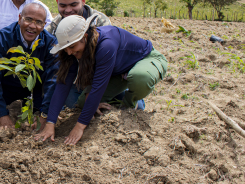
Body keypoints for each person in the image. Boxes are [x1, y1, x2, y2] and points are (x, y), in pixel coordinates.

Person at [35, 15, 168, 145]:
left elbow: (97, 88)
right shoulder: (74, 50)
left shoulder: (106, 44)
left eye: (72, 47)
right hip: (117, 72)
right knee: (82, 102)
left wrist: (79, 127)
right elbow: (63, 84)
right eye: (66, 49)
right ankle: (117, 99)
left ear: (85, 37)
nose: (69, 52)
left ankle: (131, 103)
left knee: (140, 78)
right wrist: (50, 122)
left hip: (143, 61)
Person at [0, 2, 58, 130]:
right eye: (28, 19)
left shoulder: (50, 44)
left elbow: (52, 80)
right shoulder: (3, 38)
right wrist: (2, 114)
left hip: (35, 91)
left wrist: (45, 113)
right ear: (19, 19)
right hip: (6, 86)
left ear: (44, 25)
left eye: (39, 22)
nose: (32, 26)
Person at [45, 0, 112, 108]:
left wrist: (92, 95)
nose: (68, 10)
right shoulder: (54, 27)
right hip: (73, 82)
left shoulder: (100, 22)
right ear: (57, 3)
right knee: (73, 104)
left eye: (73, 4)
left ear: (83, 0)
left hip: (99, 78)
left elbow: (105, 63)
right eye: (63, 6)